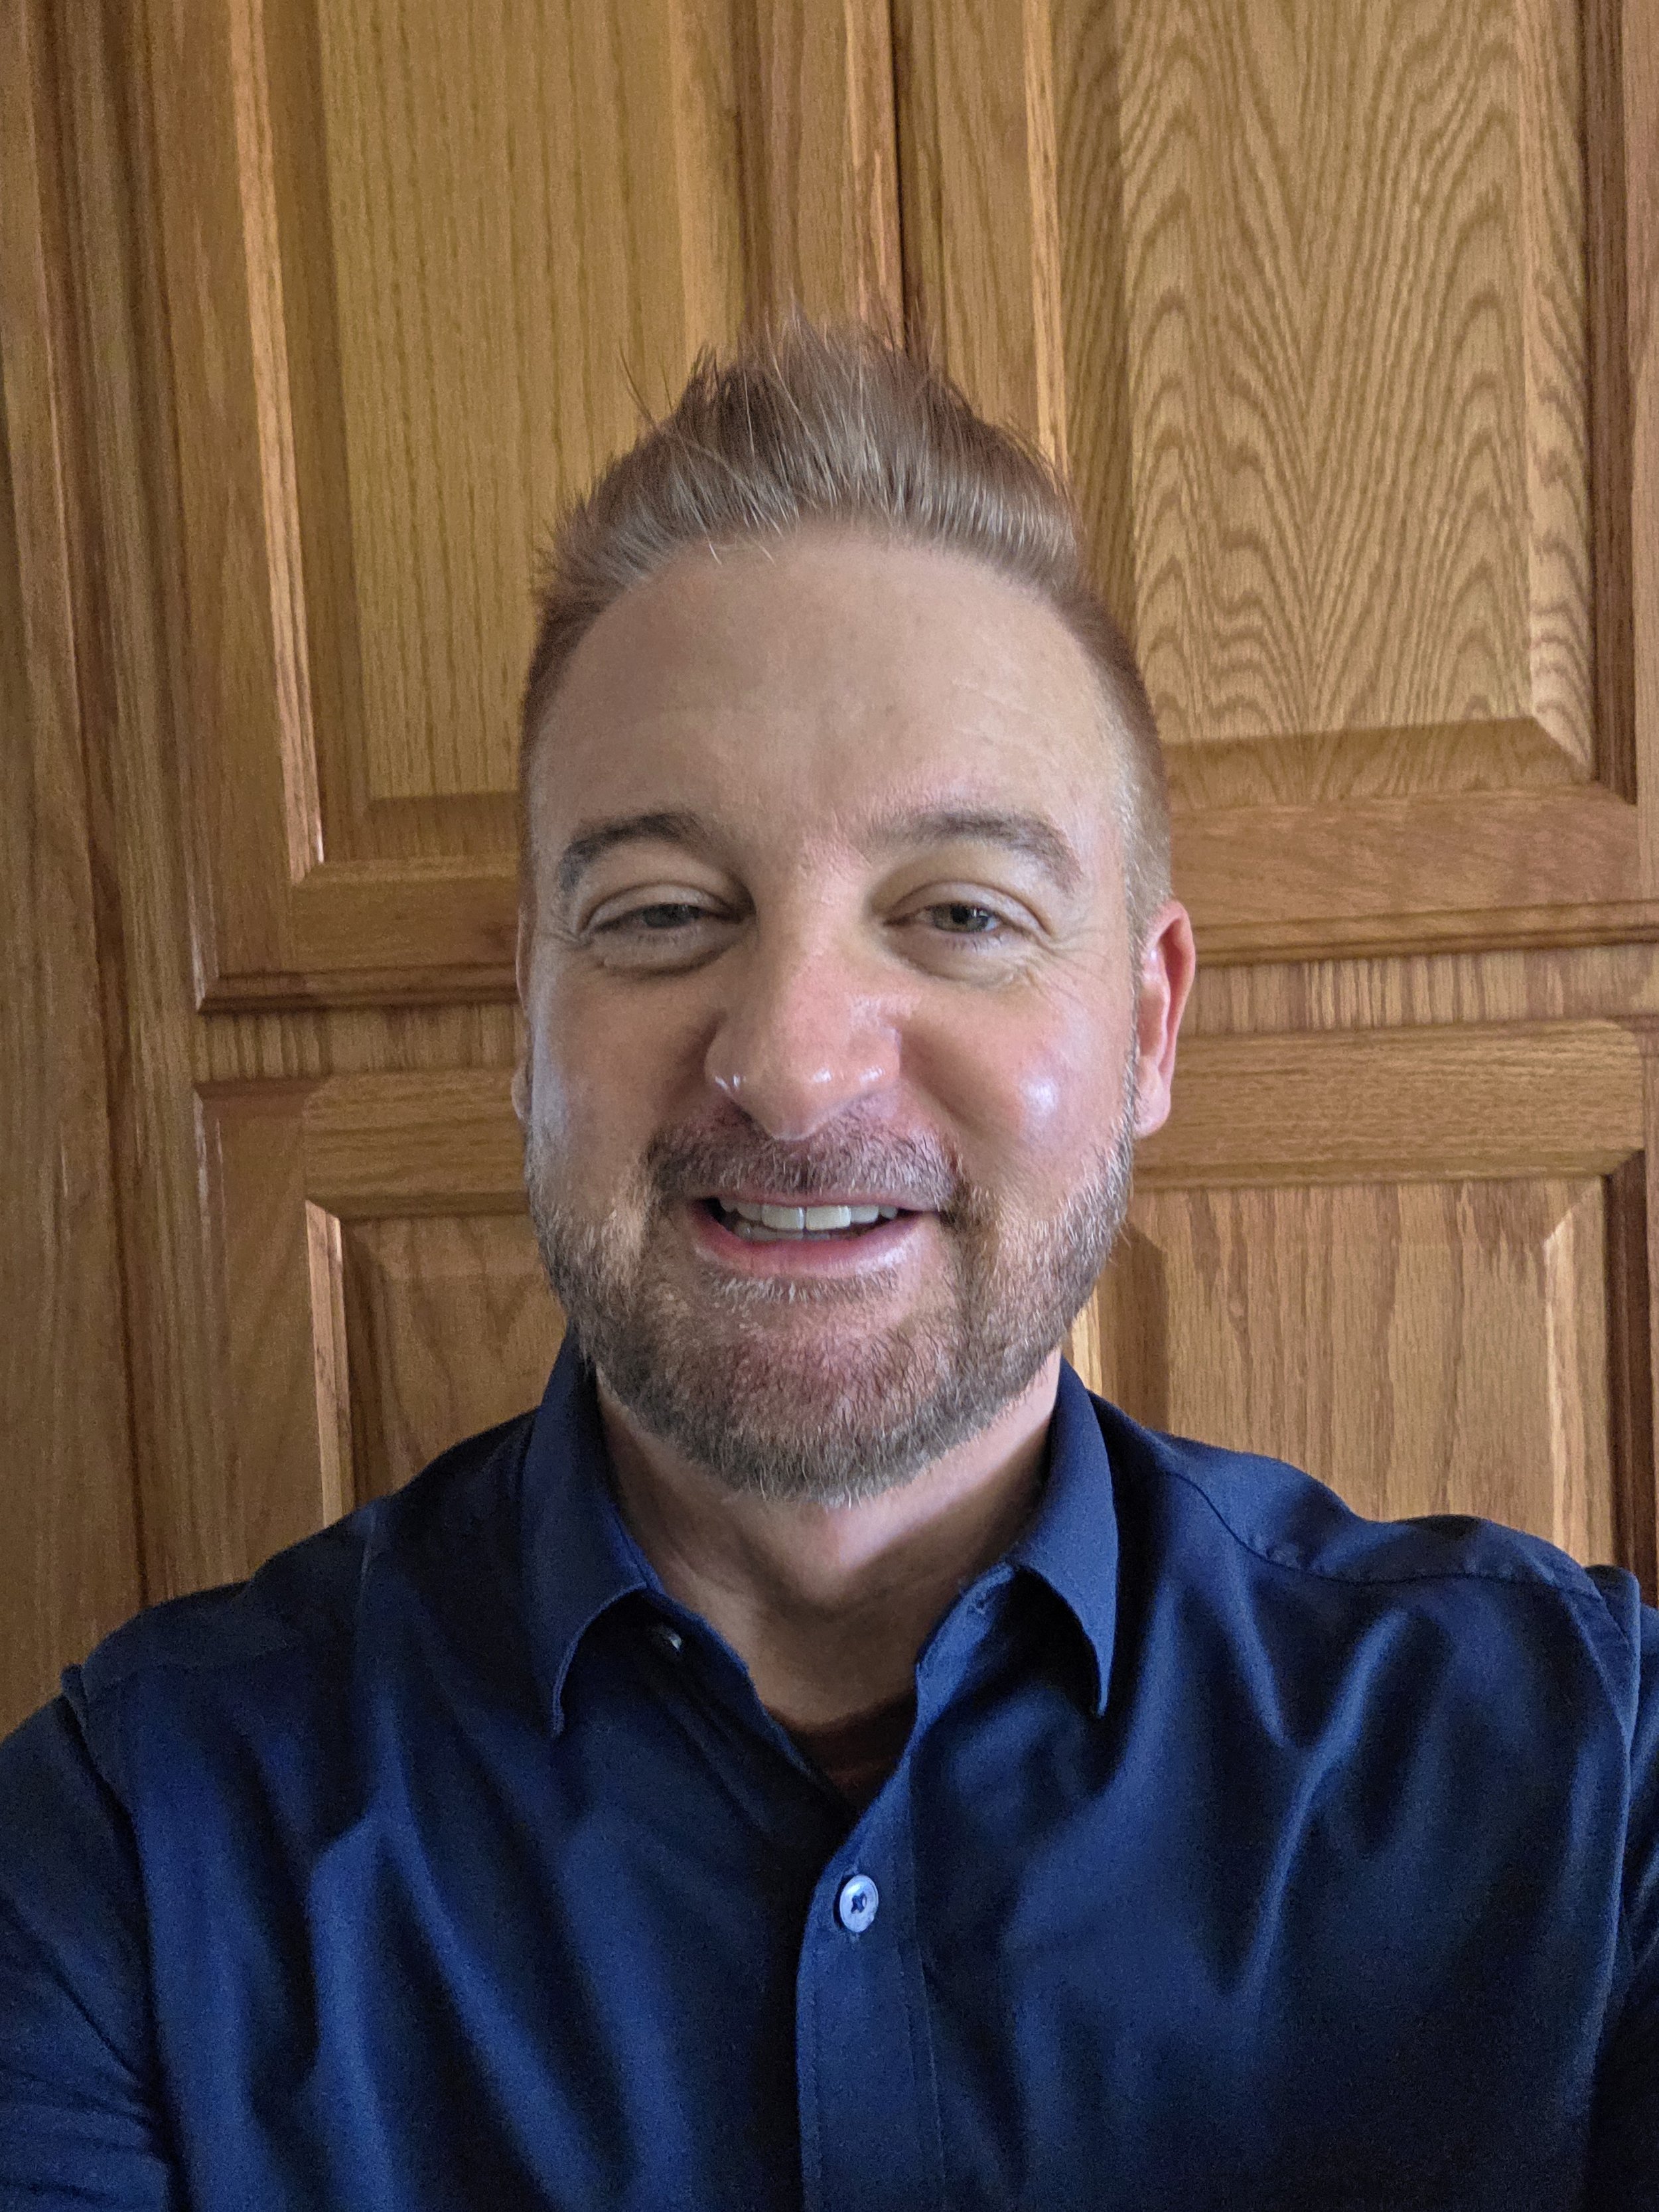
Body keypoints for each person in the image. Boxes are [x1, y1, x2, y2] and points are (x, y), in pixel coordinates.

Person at [1, 319, 1656, 2212]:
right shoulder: (132, 1855)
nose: (790, 1063)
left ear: (1151, 1025)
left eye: (957, 913)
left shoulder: (1580, 1790)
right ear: (521, 1016)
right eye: (662, 913)